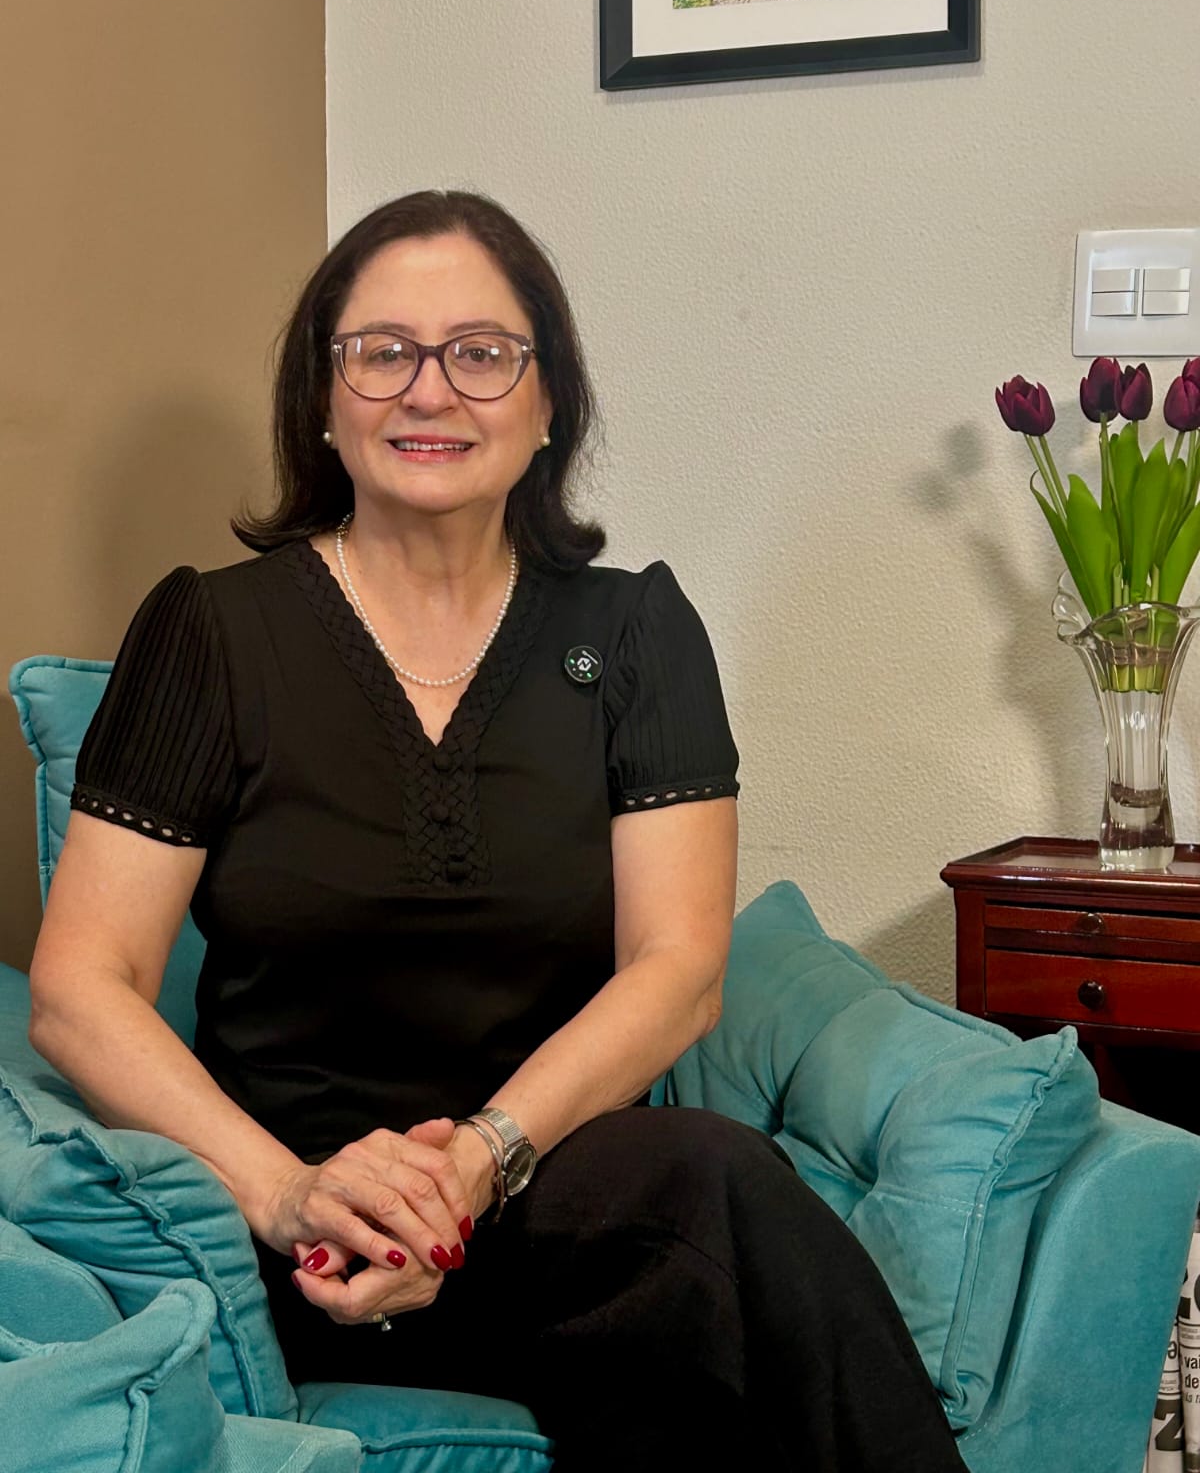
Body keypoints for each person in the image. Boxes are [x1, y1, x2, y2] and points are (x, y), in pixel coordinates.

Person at [27, 191, 965, 1472]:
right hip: (306, 1234)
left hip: (554, 1203)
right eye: (383, 352)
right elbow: (81, 988)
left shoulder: (635, 633)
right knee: (693, 1304)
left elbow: (678, 970)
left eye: (481, 352)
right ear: (322, 400)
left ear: (548, 404)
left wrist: (480, 1159)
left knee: (703, 1199)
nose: (431, 389)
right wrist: (292, 1192)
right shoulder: (211, 634)